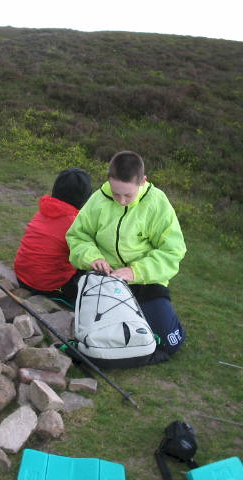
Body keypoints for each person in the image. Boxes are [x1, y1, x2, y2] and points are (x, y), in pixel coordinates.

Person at [66, 151, 186, 360]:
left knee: (170, 342)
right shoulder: (98, 200)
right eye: (115, 193)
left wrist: (135, 272)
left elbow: (172, 251)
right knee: (100, 337)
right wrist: (92, 258)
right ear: (109, 181)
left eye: (127, 195)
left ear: (143, 182)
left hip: (145, 282)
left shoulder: (157, 203)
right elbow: (77, 236)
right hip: (105, 280)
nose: (121, 200)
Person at [15, 167, 92, 306]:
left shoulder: (43, 210)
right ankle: (69, 300)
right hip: (46, 288)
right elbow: (85, 258)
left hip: (21, 276)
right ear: (84, 199)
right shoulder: (75, 224)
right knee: (84, 261)